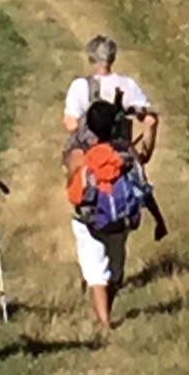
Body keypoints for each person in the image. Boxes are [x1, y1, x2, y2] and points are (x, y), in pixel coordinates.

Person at [66, 98, 143, 336]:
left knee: (96, 272)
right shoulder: (126, 152)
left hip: (90, 220)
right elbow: (141, 186)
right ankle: (110, 302)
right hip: (120, 220)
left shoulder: (80, 155)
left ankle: (104, 322)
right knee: (116, 267)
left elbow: (74, 190)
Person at [62, 34, 159, 163]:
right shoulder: (128, 85)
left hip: (89, 155)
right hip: (121, 156)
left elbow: (71, 124)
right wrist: (144, 157)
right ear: (113, 58)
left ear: (91, 58)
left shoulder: (80, 86)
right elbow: (150, 120)